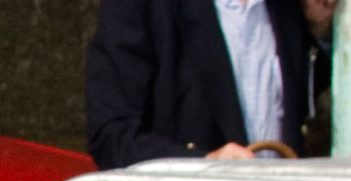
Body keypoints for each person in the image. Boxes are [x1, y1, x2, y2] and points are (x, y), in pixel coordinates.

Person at [87, 0, 333, 167]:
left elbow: (304, 108)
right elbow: (111, 134)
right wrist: (205, 164)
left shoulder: (288, 8)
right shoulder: (146, 7)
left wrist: (321, 30)